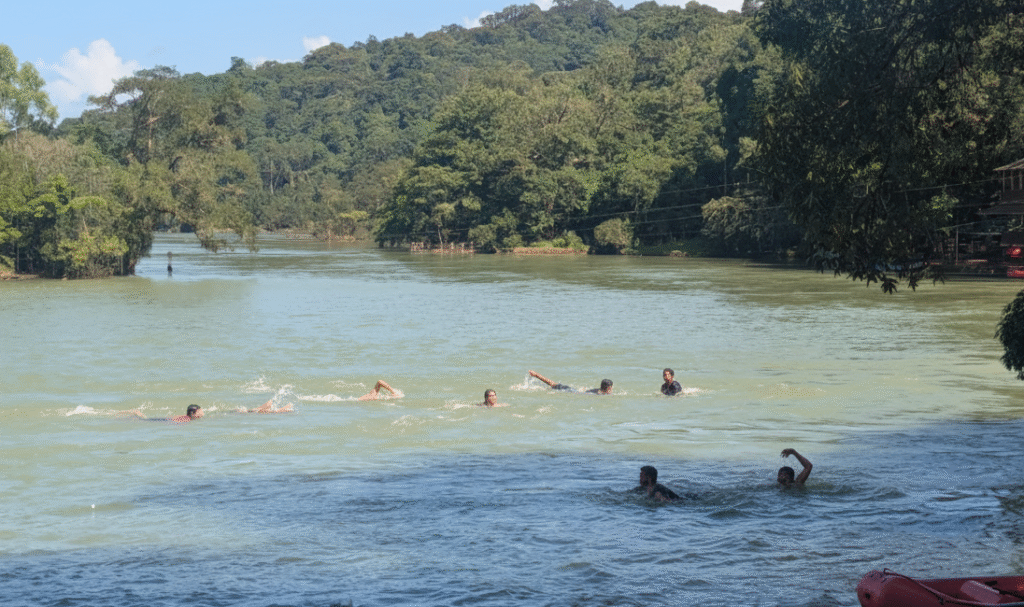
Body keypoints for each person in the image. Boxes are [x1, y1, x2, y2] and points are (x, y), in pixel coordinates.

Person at [528, 370, 613, 394]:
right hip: (569, 391)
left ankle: (536, 375)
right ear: (609, 388)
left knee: (552, 384)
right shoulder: (598, 394)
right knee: (551, 385)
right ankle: (536, 375)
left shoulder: (598, 391)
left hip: (572, 390)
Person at [125, 404, 204, 423]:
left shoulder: (187, 418)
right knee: (143, 420)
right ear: (193, 414)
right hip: (164, 420)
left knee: (144, 419)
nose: (202, 413)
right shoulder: (186, 420)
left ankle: (137, 415)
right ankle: (135, 414)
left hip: (165, 419)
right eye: (200, 412)